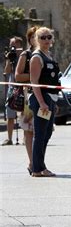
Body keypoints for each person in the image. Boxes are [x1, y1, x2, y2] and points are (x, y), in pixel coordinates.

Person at [29, 27, 60, 177]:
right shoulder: (37, 57)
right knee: (40, 134)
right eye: (42, 37)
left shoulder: (49, 55)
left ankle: (40, 166)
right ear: (37, 39)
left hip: (51, 98)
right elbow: (34, 82)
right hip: (41, 99)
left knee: (47, 133)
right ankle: (37, 168)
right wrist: (42, 102)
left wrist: (55, 103)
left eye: (48, 37)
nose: (46, 40)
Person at [15, 26, 38, 174]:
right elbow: (18, 76)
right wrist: (34, 75)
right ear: (29, 39)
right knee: (29, 131)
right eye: (35, 36)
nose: (40, 39)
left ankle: (39, 162)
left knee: (42, 131)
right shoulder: (26, 54)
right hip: (29, 98)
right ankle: (32, 162)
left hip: (45, 96)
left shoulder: (46, 54)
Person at [3, 37, 23, 146]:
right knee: (10, 114)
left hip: (22, 87)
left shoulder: (25, 55)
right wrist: (8, 59)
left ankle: (26, 137)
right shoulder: (11, 56)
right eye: (11, 45)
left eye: (15, 45)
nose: (13, 47)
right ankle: (9, 138)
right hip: (12, 87)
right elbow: (6, 72)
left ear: (20, 45)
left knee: (25, 113)